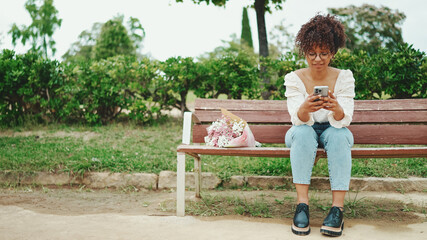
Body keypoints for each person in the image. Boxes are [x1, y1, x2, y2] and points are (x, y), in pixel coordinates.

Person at [284, 14, 355, 237]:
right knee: (303, 132)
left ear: (332, 53)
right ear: (305, 52)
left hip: (334, 130)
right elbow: (296, 119)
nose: (317, 58)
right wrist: (306, 107)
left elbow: (346, 118)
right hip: (301, 130)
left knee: (339, 135)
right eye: (312, 53)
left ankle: (337, 210)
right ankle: (302, 206)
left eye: (324, 53)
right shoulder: (294, 78)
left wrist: (336, 108)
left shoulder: (344, 77)